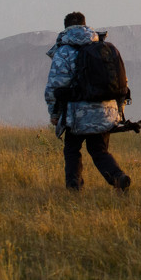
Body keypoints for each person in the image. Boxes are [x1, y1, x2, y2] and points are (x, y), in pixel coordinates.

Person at [44, 12, 132, 193]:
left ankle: (74, 188)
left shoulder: (64, 52)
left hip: (76, 114)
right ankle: (118, 178)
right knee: (99, 151)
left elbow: (55, 86)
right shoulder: (103, 48)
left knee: (72, 150)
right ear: (86, 25)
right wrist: (119, 111)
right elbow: (122, 83)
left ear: (66, 28)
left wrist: (54, 114)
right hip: (105, 112)